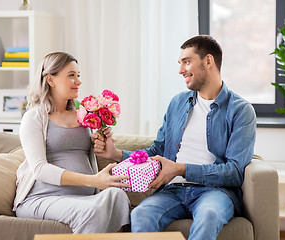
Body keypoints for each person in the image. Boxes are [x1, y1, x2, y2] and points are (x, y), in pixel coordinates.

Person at [94, 35, 256, 240]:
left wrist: (181, 169)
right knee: (141, 214)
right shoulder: (178, 103)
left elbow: (234, 172)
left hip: (215, 192)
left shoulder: (240, 110)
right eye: (180, 63)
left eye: (187, 62)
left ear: (208, 61)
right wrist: (116, 154)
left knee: (209, 216)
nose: (181, 71)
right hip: (172, 191)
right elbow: (156, 151)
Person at [13, 52, 131, 233]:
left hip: (83, 198)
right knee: (90, 211)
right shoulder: (34, 117)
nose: (78, 81)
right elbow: (39, 169)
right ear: (50, 80)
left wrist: (101, 144)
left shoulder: (83, 115)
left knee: (118, 196)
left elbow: (86, 153)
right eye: (71, 75)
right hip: (43, 198)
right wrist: (93, 181)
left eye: (78, 75)